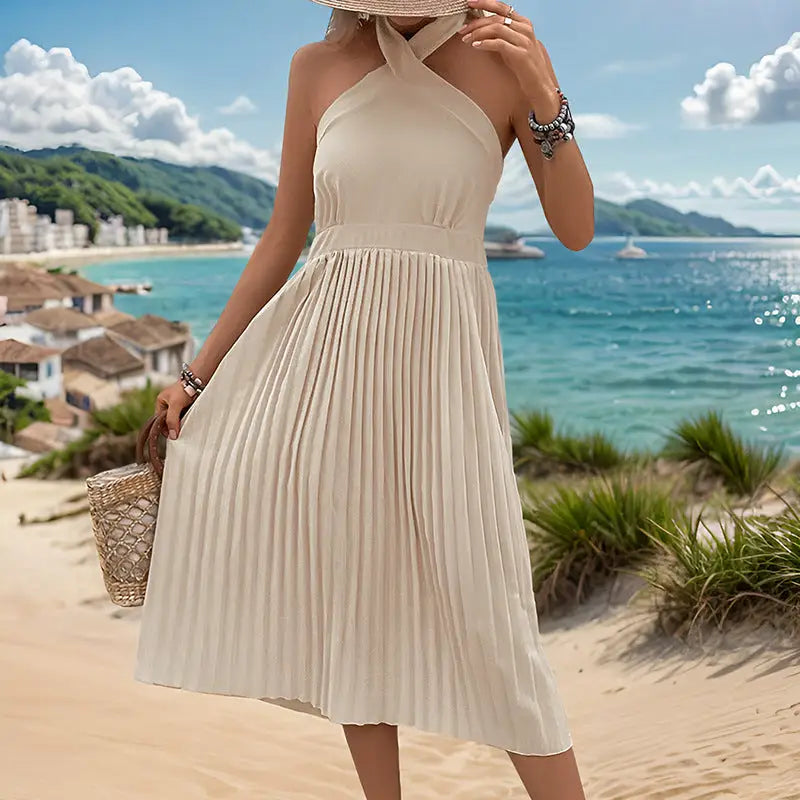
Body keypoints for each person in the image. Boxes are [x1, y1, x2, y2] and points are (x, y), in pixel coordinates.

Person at [134, 0, 594, 797]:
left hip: (444, 366)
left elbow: (577, 227)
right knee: (354, 592)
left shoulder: (505, 63)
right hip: (325, 361)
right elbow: (286, 235)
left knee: (493, 612)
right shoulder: (315, 68)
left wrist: (544, 91)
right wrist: (196, 375)